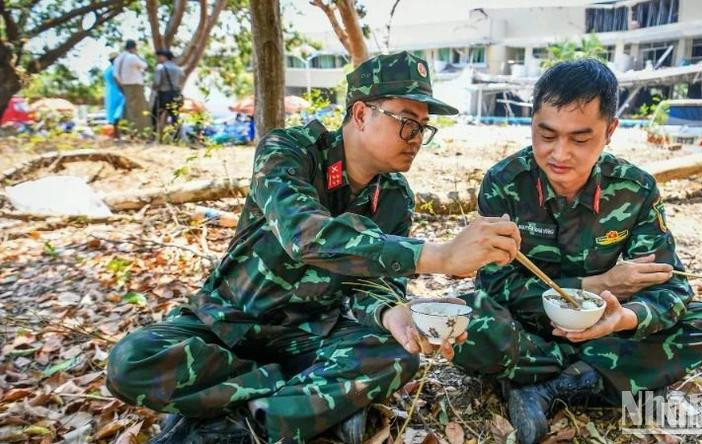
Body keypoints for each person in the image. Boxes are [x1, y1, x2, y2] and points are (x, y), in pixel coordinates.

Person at [105, 51, 521, 444]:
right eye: (407, 121)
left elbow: (376, 287)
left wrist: (391, 313)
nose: (416, 138)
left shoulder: (395, 195)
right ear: (361, 113)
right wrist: (441, 255)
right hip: (228, 325)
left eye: (423, 128)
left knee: (397, 355)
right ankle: (303, 404)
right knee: (131, 362)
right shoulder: (289, 151)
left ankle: (238, 419)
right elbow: (305, 234)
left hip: (313, 333)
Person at [451, 59, 702, 444]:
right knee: (468, 322)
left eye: (580, 139)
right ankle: (613, 377)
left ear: (610, 131)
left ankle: (549, 386)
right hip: (527, 327)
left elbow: (672, 290)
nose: (559, 154)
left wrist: (622, 319)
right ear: (531, 122)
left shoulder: (634, 190)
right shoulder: (505, 182)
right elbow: (496, 285)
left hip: (603, 329)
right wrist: (600, 283)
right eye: (545, 135)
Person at [113, 39, 150, 135]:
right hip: (136, 85)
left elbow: (116, 75)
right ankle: (142, 132)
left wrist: (121, 84)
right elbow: (145, 66)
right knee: (140, 110)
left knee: (129, 110)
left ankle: (131, 132)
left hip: (124, 86)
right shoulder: (132, 57)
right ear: (134, 48)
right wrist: (137, 55)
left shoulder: (118, 59)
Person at [152, 48, 185, 139]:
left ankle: (154, 135)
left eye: (159, 57)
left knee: (155, 115)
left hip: (164, 95)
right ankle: (177, 137)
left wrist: (155, 88)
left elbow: (157, 83)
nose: (158, 59)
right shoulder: (178, 68)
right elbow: (181, 79)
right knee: (175, 116)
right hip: (175, 95)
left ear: (163, 57)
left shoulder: (160, 67)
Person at [103, 52, 125, 138]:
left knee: (112, 113)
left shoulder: (107, 69)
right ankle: (117, 135)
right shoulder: (114, 69)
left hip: (110, 92)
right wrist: (123, 90)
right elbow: (117, 80)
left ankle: (115, 135)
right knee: (118, 114)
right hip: (117, 92)